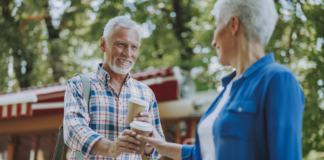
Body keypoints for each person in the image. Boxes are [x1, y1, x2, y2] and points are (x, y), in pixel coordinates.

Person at [137, 0, 305, 159]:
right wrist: (162, 146)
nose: (213, 42)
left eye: (216, 26)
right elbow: (208, 154)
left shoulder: (278, 79)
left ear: (233, 25)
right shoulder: (228, 89)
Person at [63, 16, 164, 160]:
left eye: (134, 47)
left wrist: (149, 135)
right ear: (103, 44)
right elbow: (73, 130)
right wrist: (110, 148)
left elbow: (155, 152)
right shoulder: (79, 85)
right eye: (121, 44)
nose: (128, 54)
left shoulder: (146, 93)